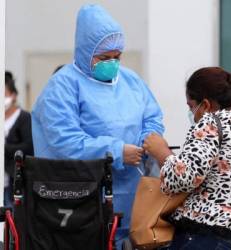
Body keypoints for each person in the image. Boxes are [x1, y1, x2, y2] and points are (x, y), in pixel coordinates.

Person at [31, 4, 164, 245]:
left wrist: (147, 140)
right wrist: (117, 151)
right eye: (104, 58)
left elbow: (152, 117)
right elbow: (65, 141)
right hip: (78, 198)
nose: (112, 63)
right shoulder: (62, 87)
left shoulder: (130, 80)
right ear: (84, 51)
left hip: (133, 193)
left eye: (117, 57)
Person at [143, 67, 231, 250]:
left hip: (215, 235)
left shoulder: (211, 123)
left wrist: (161, 152)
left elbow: (183, 178)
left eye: (191, 106)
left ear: (206, 105)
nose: (192, 113)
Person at [4, 71, 33, 207]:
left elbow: (28, 147)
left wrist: (4, 148)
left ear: (13, 95)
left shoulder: (24, 118)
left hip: (14, 182)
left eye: (4, 95)